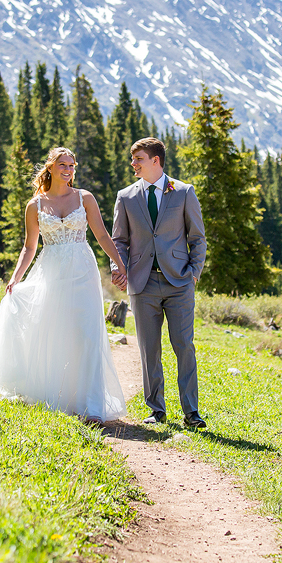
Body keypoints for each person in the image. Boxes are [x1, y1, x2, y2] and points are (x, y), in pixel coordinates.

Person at [0, 147, 128, 423]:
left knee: (86, 333)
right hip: (51, 272)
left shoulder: (85, 198)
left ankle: (90, 405)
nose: (68, 169)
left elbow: (103, 235)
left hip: (83, 270)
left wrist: (119, 264)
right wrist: (15, 278)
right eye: (62, 164)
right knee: (55, 332)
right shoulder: (35, 205)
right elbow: (29, 246)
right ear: (51, 167)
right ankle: (59, 396)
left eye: (72, 165)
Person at [111, 137, 207, 429]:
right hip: (143, 284)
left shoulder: (183, 192)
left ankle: (191, 412)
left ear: (156, 161)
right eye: (132, 158)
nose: (133, 164)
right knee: (149, 349)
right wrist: (119, 266)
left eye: (138, 158)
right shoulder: (126, 196)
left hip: (179, 282)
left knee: (184, 346)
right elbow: (119, 240)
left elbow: (197, 238)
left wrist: (193, 272)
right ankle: (156, 410)